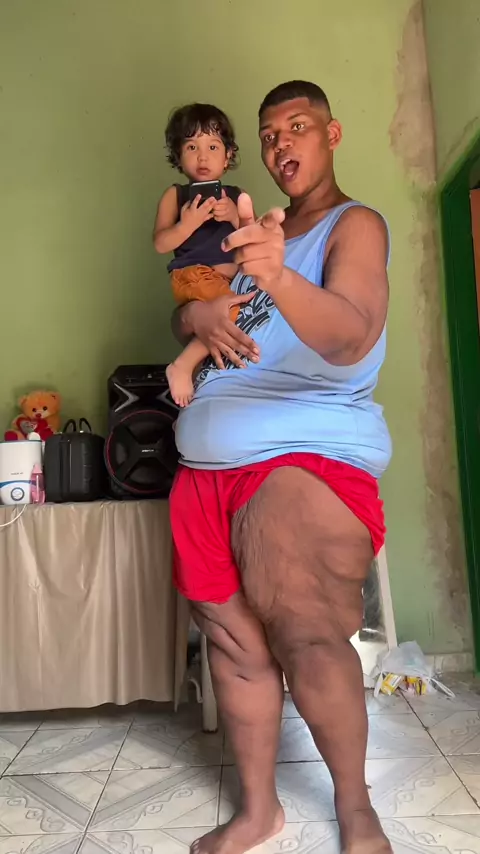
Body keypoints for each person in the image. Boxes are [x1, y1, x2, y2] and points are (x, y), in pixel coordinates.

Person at [170, 80, 392, 854]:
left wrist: (279, 276)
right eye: (268, 134)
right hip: (206, 465)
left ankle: (357, 811)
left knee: (308, 633)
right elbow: (204, 316)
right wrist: (195, 313)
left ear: (332, 134)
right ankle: (258, 811)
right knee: (233, 649)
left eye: (297, 126)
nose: (279, 143)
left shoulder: (352, 224)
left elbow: (351, 336)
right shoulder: (253, 234)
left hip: (302, 456)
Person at [153, 103, 243, 407]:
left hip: (227, 280)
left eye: (213, 147)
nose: (203, 157)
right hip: (194, 275)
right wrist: (187, 224)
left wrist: (235, 217)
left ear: (227, 156)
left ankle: (197, 378)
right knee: (231, 313)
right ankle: (182, 365)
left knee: (245, 314)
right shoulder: (175, 195)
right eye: (192, 147)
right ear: (178, 155)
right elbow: (161, 243)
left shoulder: (236, 196)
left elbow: (253, 238)